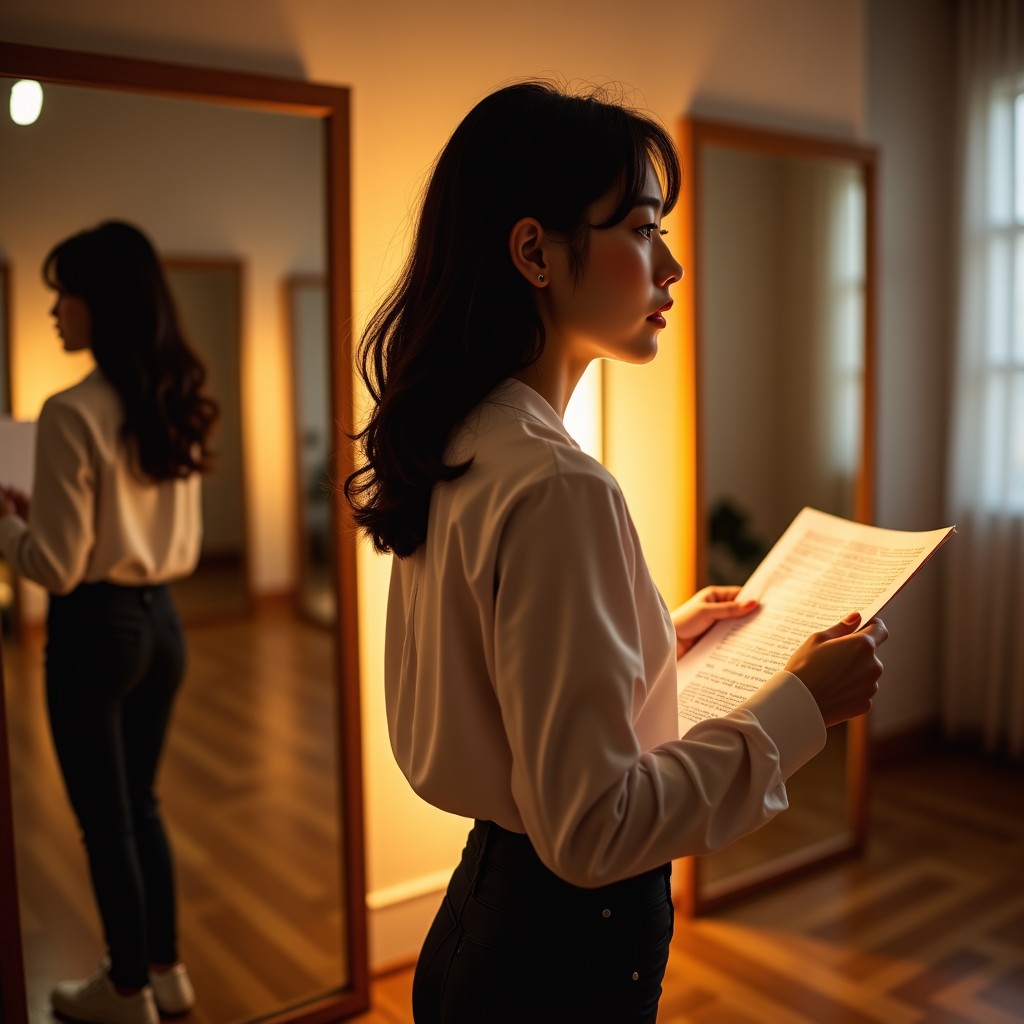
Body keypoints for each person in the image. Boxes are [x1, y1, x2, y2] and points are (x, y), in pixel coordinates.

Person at [345, 80, 889, 1024]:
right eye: (642, 230)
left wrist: (655, 643)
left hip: (486, 926)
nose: (671, 265)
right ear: (535, 252)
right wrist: (803, 709)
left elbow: (502, 690)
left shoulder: (466, 438)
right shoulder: (558, 487)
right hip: (557, 965)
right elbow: (593, 828)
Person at [0, 220, 217, 1024]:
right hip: (164, 625)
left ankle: (124, 991)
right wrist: (35, 525)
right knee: (144, 804)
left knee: (107, 821)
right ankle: (165, 972)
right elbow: (131, 532)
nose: (56, 308)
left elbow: (56, 565)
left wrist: (5, 528)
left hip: (95, 631)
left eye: (66, 292)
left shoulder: (71, 410)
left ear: (103, 303)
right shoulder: (170, 398)